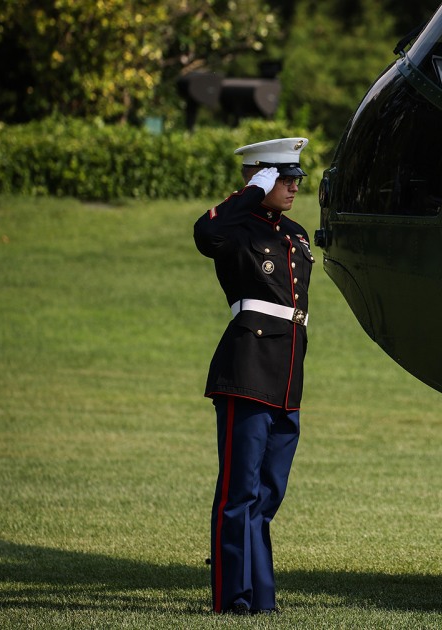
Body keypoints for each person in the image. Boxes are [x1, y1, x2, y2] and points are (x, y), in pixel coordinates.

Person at [193, 137, 313, 614]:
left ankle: (261, 598)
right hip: (245, 368)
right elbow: (205, 234)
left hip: (286, 375)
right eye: (282, 178)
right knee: (238, 492)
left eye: (295, 178)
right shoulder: (235, 230)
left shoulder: (296, 232)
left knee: (268, 494)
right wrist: (248, 193)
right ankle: (230, 598)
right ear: (259, 177)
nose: (292, 186)